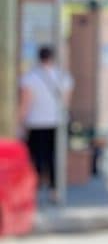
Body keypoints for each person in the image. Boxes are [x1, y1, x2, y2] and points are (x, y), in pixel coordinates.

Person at [19, 45, 74, 204]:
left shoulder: (30, 77)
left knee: (36, 158)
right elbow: (66, 102)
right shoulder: (63, 76)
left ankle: (34, 190)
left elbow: (25, 103)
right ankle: (55, 191)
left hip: (36, 123)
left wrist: (20, 122)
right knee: (55, 158)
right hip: (57, 123)